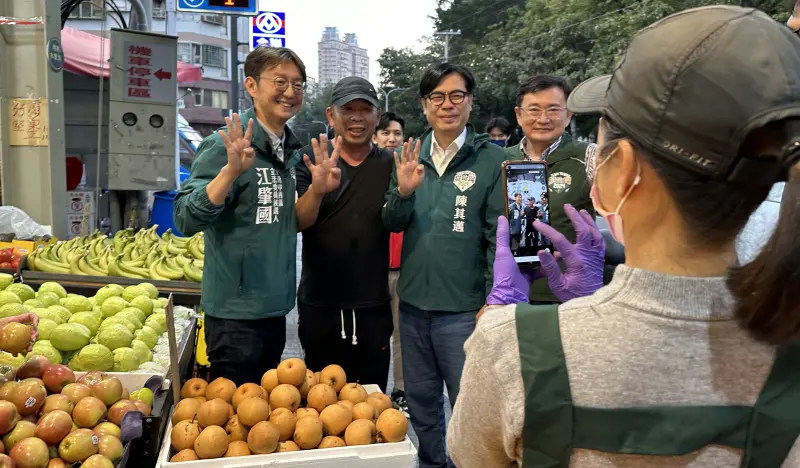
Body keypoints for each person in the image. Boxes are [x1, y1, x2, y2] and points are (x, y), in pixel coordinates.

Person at [448, 6, 800, 466]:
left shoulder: (513, 350)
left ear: (621, 172)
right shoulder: (785, 356)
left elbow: (472, 454)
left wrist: (505, 313)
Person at [383, 62, 506, 468]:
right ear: (424, 104)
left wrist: (493, 300)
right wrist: (402, 191)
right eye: (437, 96)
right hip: (415, 305)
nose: (447, 104)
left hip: (465, 310)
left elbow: (497, 238)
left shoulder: (493, 160)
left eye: (457, 96)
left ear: (470, 102)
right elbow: (391, 222)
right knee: (421, 402)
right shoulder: (409, 152)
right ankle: (433, 463)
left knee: (470, 404)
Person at [174, 47, 315, 386]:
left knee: (264, 414)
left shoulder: (288, 152)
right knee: (236, 421)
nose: (290, 92)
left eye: (298, 84)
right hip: (235, 317)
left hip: (274, 310)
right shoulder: (227, 146)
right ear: (251, 86)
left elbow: (288, 224)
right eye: (280, 81)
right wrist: (230, 172)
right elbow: (185, 218)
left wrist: (318, 190)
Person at [295, 77, 395, 392]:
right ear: (330, 115)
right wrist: (316, 189)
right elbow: (299, 221)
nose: (356, 117)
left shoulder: (391, 165)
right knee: (319, 405)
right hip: (319, 305)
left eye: (365, 110)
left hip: (372, 307)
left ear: (378, 117)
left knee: (371, 400)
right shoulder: (311, 161)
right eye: (348, 109)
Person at [506, 74, 595, 303]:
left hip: (572, 294)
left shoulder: (590, 158)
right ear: (518, 115)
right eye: (534, 110)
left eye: (554, 110)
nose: (543, 119)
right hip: (509, 290)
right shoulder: (501, 160)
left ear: (568, 116)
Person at [372, 111, 410, 413]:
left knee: (401, 335)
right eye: (385, 133)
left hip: (404, 270)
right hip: (371, 269)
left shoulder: (411, 173)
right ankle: (371, 389)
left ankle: (400, 390)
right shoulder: (368, 173)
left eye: (397, 133)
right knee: (374, 334)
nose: (391, 139)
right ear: (374, 137)